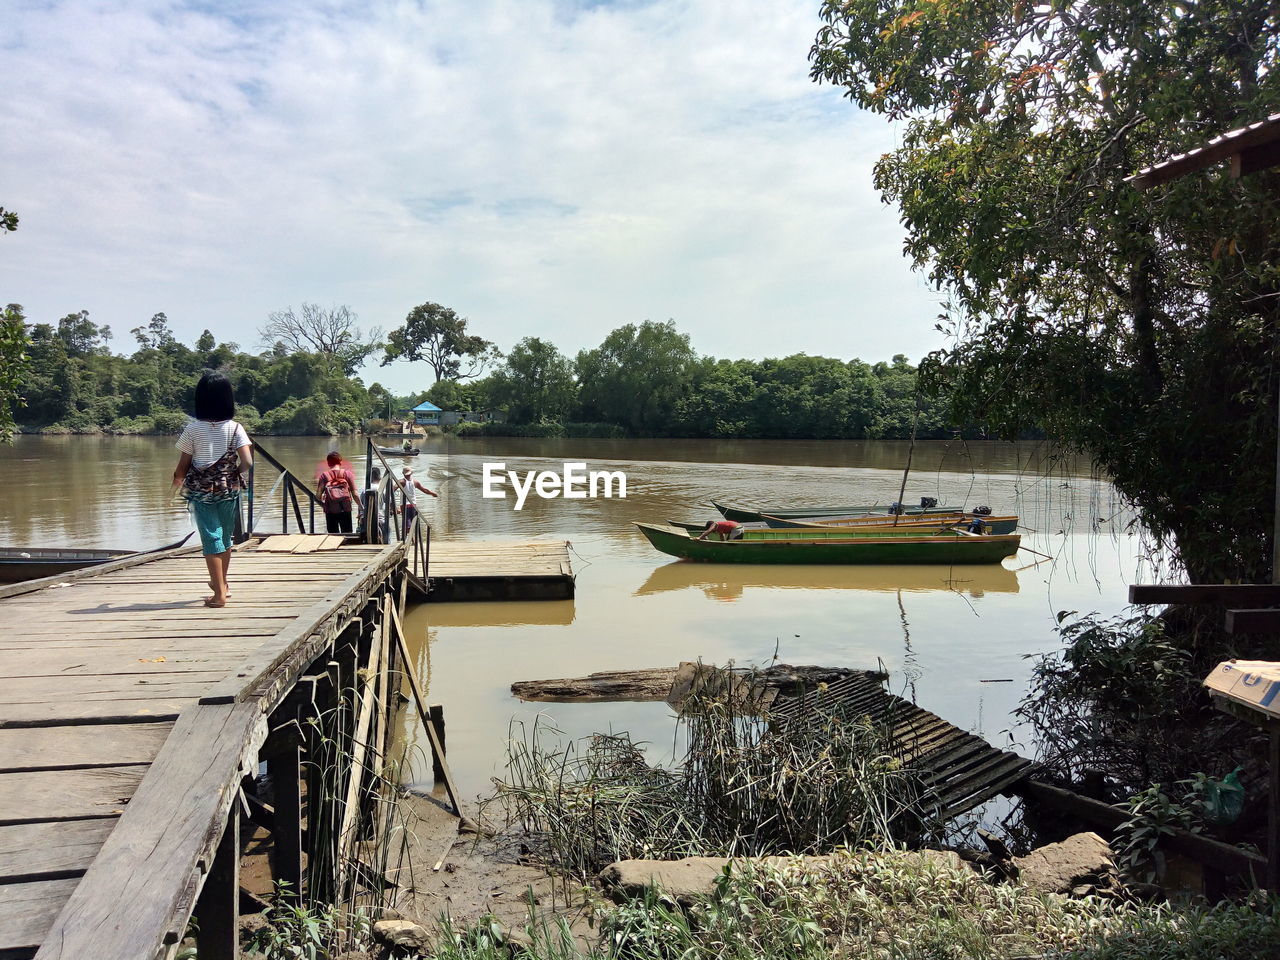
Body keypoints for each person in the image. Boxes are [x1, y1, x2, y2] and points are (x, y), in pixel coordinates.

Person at [173, 371, 252, 608]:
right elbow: (247, 462)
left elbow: (183, 465)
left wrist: (177, 479)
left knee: (211, 538)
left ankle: (218, 595)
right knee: (224, 537)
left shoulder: (193, 430)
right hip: (229, 489)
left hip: (202, 491)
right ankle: (223, 585)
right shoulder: (236, 428)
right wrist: (233, 473)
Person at [317, 452, 357, 534]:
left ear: (328, 463)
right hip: (345, 509)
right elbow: (355, 494)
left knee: (333, 535)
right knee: (347, 534)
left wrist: (325, 500)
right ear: (340, 462)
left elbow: (318, 496)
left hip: (330, 510)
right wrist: (361, 506)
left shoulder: (324, 476)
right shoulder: (347, 474)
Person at [399, 466, 438, 532]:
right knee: (410, 524)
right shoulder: (411, 482)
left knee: (409, 524)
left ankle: (408, 539)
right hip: (409, 505)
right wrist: (432, 493)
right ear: (411, 473)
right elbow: (425, 490)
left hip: (408, 505)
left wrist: (432, 493)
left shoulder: (405, 482)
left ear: (403, 473)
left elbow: (392, 489)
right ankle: (409, 539)